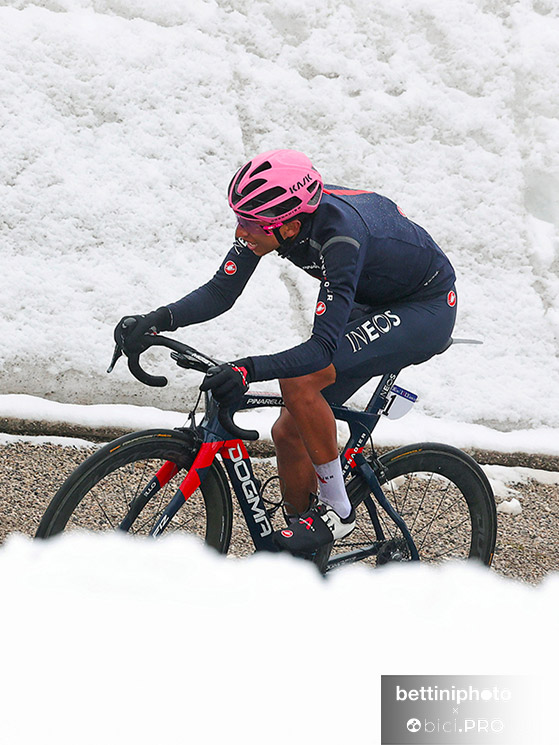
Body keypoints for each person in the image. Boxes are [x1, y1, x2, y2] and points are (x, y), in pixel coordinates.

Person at [114, 149, 457, 556]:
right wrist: (157, 320)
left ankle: (338, 511)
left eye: (251, 224)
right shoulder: (274, 219)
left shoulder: (340, 239)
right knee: (288, 431)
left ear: (290, 225)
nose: (241, 233)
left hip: (425, 306)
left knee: (301, 381)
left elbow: (319, 350)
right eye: (239, 219)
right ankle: (303, 555)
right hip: (371, 295)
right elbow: (222, 291)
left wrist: (247, 369)